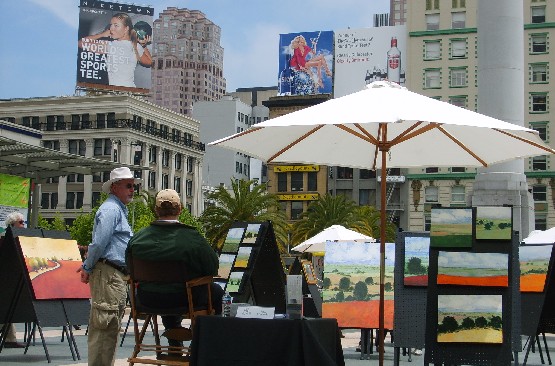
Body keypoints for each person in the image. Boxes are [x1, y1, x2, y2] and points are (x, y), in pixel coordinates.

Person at [126, 189, 224, 351]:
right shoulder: (192, 237)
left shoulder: (137, 238)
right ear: (180, 209)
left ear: (156, 210)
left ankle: (174, 342)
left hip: (147, 299)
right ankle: (198, 343)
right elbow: (212, 267)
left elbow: (130, 268)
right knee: (216, 291)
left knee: (166, 290)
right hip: (184, 298)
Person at [77, 167, 137, 366]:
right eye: (128, 185)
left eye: (133, 186)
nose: (132, 190)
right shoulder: (111, 209)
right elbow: (99, 242)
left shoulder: (116, 209)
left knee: (108, 328)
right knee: (105, 327)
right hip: (109, 273)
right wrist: (87, 266)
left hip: (113, 274)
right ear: (114, 187)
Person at [78, 13, 152, 88]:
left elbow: (81, 43)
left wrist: (102, 34)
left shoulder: (112, 45)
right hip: (130, 90)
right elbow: (150, 62)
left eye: (116, 25)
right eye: (111, 25)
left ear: (126, 29)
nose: (111, 28)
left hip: (119, 92)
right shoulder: (135, 45)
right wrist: (144, 46)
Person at [0, 212, 26, 348]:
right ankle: (10, 339)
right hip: (5, 279)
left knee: (6, 308)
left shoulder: (18, 239)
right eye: (21, 222)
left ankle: (10, 339)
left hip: (11, 280)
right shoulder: (4, 239)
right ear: (12, 224)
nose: (23, 225)